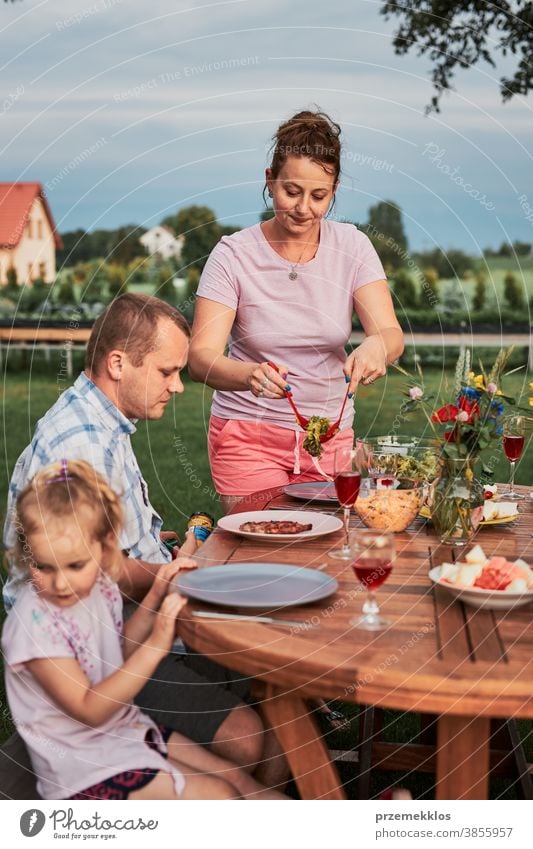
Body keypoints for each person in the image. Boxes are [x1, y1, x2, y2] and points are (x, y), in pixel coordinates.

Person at [2, 293, 286, 786]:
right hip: (96, 642)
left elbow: (112, 547)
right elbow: (101, 571)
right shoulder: (81, 444)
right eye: (167, 371)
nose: (178, 386)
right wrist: (188, 576)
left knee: (277, 681)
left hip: (127, 615)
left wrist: (156, 549)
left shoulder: (101, 422)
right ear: (118, 363)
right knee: (249, 733)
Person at [1, 460, 284, 800]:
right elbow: (89, 708)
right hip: (83, 768)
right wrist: (158, 642)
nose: (61, 583)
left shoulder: (98, 587)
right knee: (221, 796)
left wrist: (156, 594)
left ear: (106, 548)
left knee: (240, 785)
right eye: (43, 567)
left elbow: (115, 655)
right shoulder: (35, 628)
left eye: (76, 565)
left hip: (123, 733)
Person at [189, 109, 404, 511]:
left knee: (328, 553)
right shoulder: (232, 256)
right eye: (291, 191)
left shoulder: (353, 248)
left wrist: (378, 347)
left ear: (334, 189)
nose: (303, 208)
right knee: (266, 549)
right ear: (269, 180)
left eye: (318, 196)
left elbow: (390, 335)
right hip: (247, 436)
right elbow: (201, 359)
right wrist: (248, 374)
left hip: (331, 437)